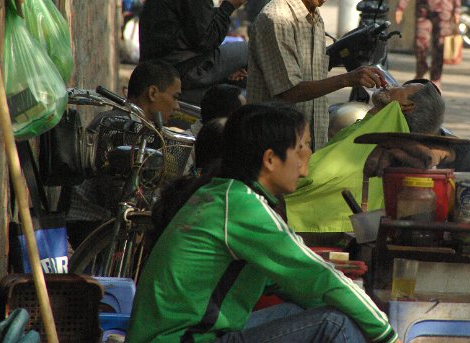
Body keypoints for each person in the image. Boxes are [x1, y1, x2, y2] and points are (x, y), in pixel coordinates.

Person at [128, 104, 400, 343]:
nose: (307, 160)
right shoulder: (242, 206)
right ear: (270, 159)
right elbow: (317, 276)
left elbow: (289, 281)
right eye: (302, 147)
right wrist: (388, 335)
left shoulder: (222, 194)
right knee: (334, 323)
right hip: (184, 338)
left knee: (320, 309)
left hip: (184, 334)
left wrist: (351, 304)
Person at [247, 0, 387, 150]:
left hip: (307, 147)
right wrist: (348, 79)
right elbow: (291, 91)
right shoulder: (277, 17)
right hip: (277, 146)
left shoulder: (314, 17)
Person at [285, 80, 470, 233]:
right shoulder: (374, 124)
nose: (391, 86)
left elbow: (318, 175)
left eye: (402, 87)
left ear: (407, 106)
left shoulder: (388, 136)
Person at [65, 60, 181, 248]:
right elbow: (114, 192)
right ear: (152, 93)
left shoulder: (133, 123)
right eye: (175, 97)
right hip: (91, 222)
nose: (177, 106)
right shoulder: (121, 126)